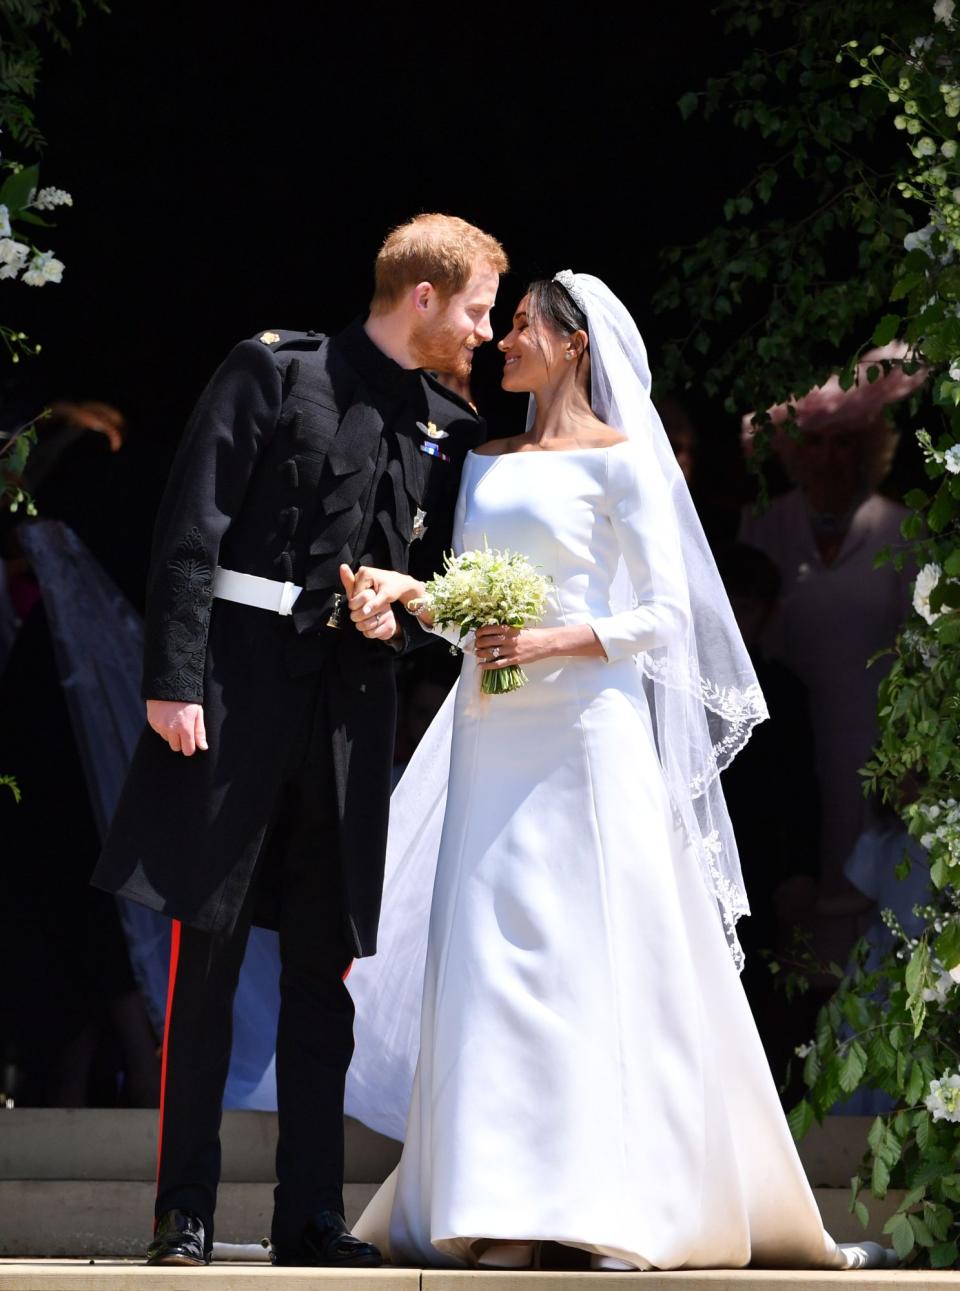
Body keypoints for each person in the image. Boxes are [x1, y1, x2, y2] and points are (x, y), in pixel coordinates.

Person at [338, 273, 893, 1271]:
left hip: (585, 736)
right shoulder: (486, 460)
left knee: (588, 953)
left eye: (520, 327)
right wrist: (413, 594)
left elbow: (667, 616)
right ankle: (494, 1200)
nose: (503, 340)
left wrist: (553, 638)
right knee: (492, 954)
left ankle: (607, 1200)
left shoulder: (625, 464)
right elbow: (473, 602)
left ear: (574, 345)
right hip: (490, 731)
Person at [90, 213, 508, 1267]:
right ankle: (181, 1209)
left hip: (350, 718)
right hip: (234, 699)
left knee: (327, 973)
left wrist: (397, 614)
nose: (488, 330)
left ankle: (309, 1217)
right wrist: (173, 681)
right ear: (423, 296)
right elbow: (191, 526)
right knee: (212, 964)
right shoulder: (276, 370)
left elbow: (421, 574)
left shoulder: (438, 422)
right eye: (476, 307)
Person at [740, 351, 920, 966]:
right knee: (788, 913)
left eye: (848, 443)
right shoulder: (760, 528)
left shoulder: (903, 532)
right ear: (794, 451)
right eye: (817, 443)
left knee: (871, 921)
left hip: (872, 747)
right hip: (785, 745)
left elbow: (923, 659)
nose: (832, 457)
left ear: (871, 449)